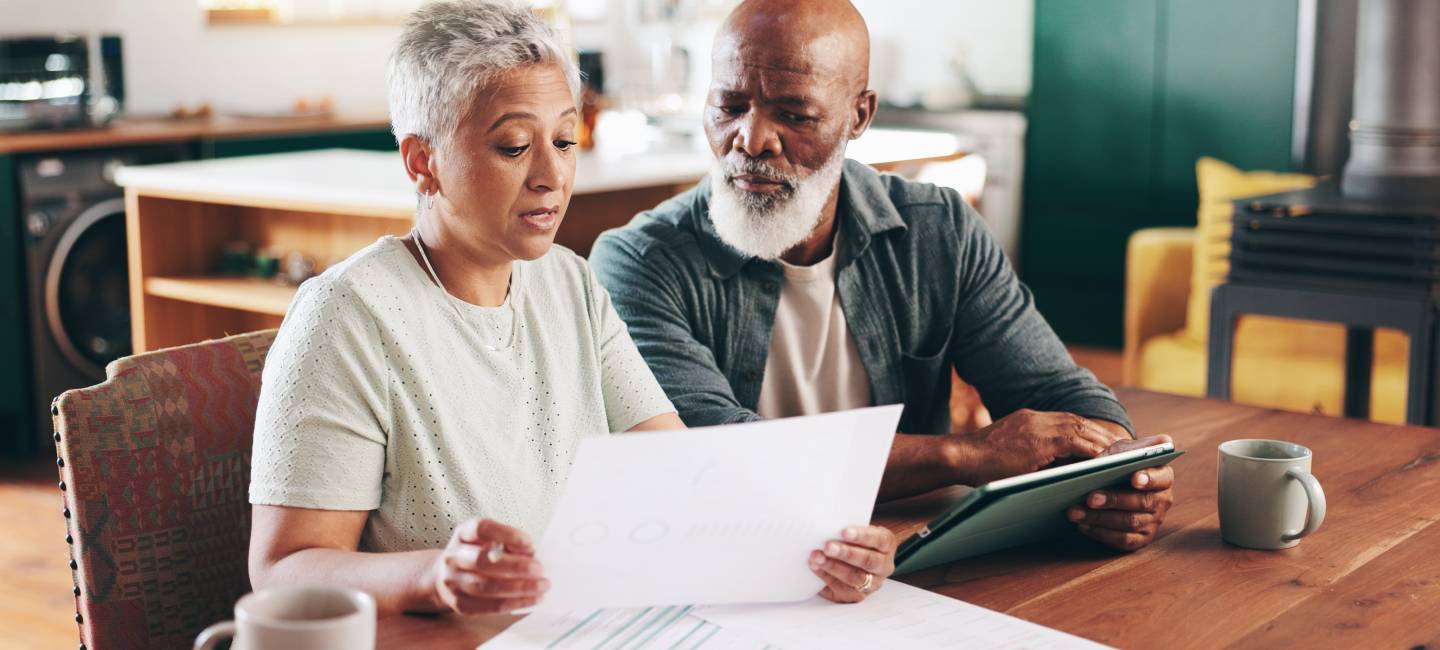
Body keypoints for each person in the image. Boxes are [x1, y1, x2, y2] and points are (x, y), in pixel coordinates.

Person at [246, 0, 894, 617]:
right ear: (423, 163)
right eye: (513, 147)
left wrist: (818, 547)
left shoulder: (570, 284)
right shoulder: (346, 316)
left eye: (564, 141)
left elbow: (681, 478)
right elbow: (284, 568)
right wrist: (433, 575)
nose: (551, 177)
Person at [591, 0, 1176, 556]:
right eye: (729, 105)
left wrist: (1119, 479)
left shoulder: (940, 230)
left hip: (905, 558)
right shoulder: (638, 263)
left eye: (793, 114)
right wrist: (963, 455)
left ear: (859, 115)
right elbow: (718, 459)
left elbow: (1062, 397)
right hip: (727, 560)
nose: (750, 139)